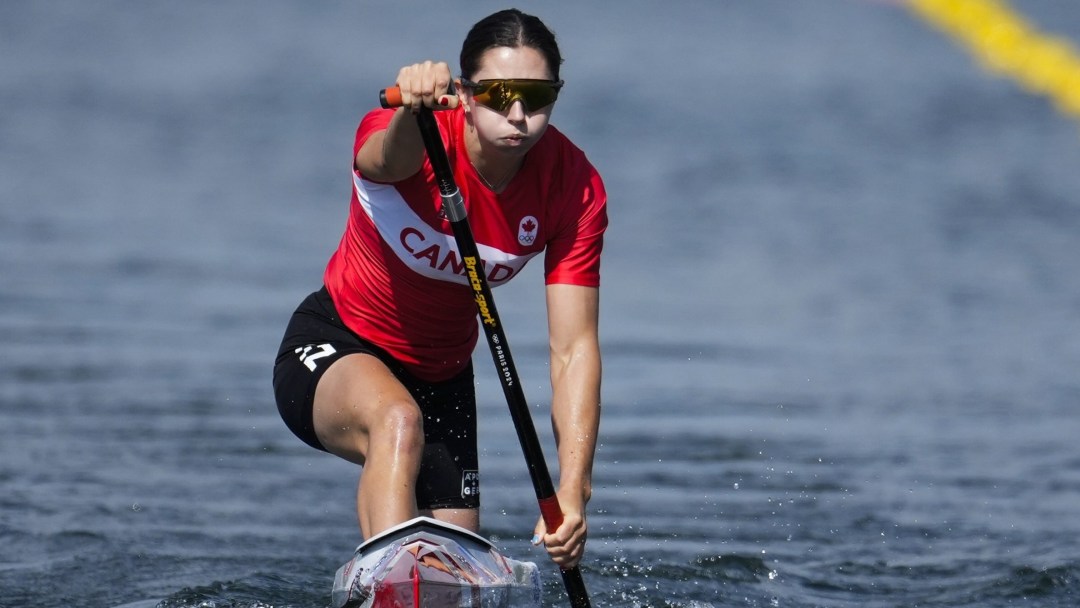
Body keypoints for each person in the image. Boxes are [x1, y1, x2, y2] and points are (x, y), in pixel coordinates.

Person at [272, 8, 606, 570]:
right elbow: (385, 159)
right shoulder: (408, 136)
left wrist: (575, 488)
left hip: (445, 378)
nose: (519, 115)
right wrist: (410, 108)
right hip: (336, 345)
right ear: (464, 93)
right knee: (397, 423)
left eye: (538, 96)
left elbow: (573, 350)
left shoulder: (574, 187)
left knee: (453, 570)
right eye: (499, 94)